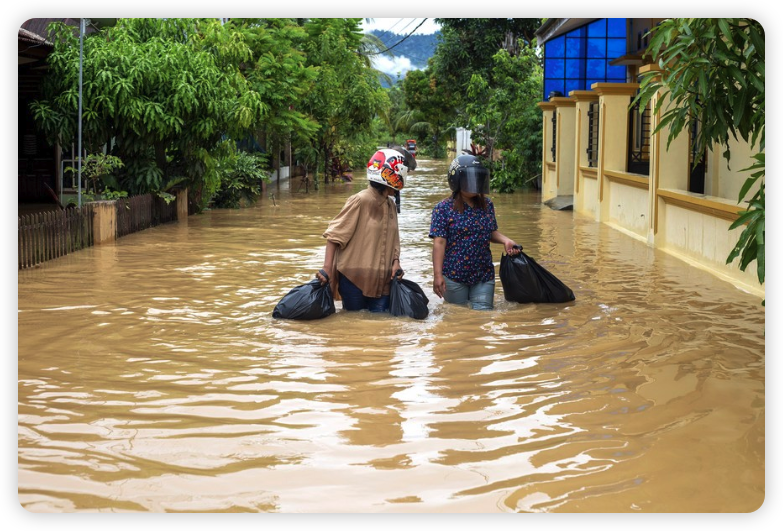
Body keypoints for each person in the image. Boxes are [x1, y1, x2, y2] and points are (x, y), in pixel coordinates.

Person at [315, 147, 416, 312]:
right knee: (356, 327)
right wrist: (327, 269)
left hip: (383, 280)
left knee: (379, 327)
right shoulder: (360, 200)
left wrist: (396, 263)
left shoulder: (390, 205)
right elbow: (334, 236)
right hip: (354, 280)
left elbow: (394, 240)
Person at [429, 154, 520, 310]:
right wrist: (438, 275)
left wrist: (506, 240)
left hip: (483, 274)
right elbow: (439, 242)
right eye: (469, 178)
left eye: (477, 178)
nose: (474, 183)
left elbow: (489, 232)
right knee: (458, 318)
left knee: (483, 318)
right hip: (454, 275)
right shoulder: (443, 208)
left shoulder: (487, 205)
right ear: (456, 180)